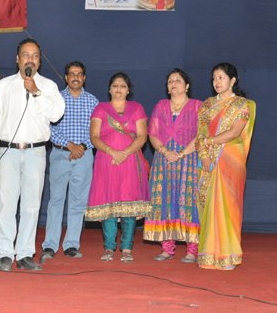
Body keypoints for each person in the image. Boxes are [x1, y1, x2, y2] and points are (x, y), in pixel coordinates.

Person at [0, 38, 65, 272]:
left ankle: (24, 253)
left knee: (31, 206)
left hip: (36, 152)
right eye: (25, 55)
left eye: (34, 55)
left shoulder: (48, 86)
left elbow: (56, 114)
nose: (30, 59)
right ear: (17, 59)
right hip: (9, 150)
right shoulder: (4, 85)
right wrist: (7, 138)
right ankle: (4, 253)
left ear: (39, 61)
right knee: (6, 204)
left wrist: (36, 92)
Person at [196, 62, 256, 270]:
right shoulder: (206, 105)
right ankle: (209, 255)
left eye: (221, 77)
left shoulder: (242, 105)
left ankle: (228, 255)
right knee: (209, 205)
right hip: (208, 159)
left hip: (231, 160)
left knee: (228, 206)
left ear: (233, 80)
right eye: (214, 78)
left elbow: (234, 132)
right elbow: (200, 133)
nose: (216, 82)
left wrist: (209, 142)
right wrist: (204, 155)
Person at [85, 72, 150, 263]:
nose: (118, 89)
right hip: (107, 161)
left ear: (128, 90)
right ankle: (109, 247)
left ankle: (127, 248)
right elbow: (94, 137)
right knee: (109, 204)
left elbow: (142, 136)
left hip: (130, 161)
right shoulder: (100, 109)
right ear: (109, 89)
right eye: (115, 85)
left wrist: (124, 153)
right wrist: (112, 152)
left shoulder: (137, 108)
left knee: (129, 205)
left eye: (122, 86)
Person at [40, 61, 99, 264]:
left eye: (79, 74)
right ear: (66, 77)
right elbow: (48, 128)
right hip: (60, 154)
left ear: (84, 78)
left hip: (84, 156)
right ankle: (50, 245)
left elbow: (97, 131)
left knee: (78, 202)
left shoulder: (92, 101)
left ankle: (72, 244)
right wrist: (69, 145)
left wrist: (80, 147)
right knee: (56, 200)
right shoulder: (56, 99)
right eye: (72, 74)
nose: (75, 77)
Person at [143, 68, 202, 263]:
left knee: (189, 201)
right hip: (164, 159)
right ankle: (167, 248)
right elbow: (152, 133)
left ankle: (192, 250)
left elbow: (201, 135)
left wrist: (182, 153)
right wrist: (166, 152)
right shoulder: (161, 106)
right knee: (164, 201)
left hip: (189, 159)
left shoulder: (197, 106)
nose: (173, 83)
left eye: (177, 80)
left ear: (187, 86)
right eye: (170, 81)